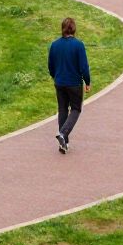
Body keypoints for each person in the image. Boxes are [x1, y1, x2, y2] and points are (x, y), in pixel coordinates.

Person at [47, 17, 91, 154]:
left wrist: (56, 76)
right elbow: (84, 67)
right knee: (76, 109)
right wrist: (87, 82)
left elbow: (51, 65)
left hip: (59, 82)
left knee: (62, 109)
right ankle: (63, 133)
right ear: (74, 29)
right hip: (74, 83)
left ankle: (63, 143)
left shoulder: (54, 45)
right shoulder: (78, 45)